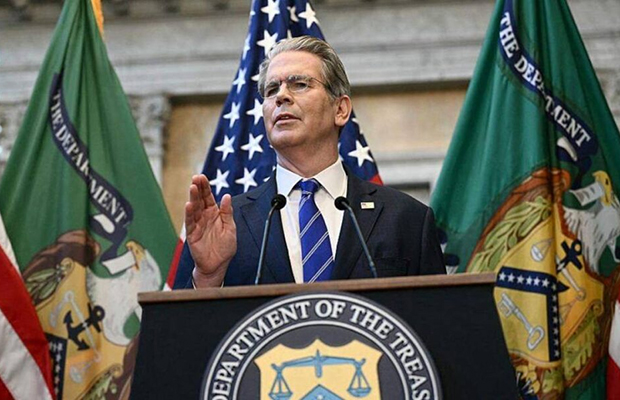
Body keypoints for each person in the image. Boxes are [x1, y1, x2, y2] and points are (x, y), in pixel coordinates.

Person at [185, 36, 445, 288]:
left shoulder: (406, 219)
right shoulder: (227, 225)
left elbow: (437, 316)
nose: (281, 96)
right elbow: (185, 319)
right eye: (272, 90)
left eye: (299, 84)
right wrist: (209, 277)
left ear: (340, 110)